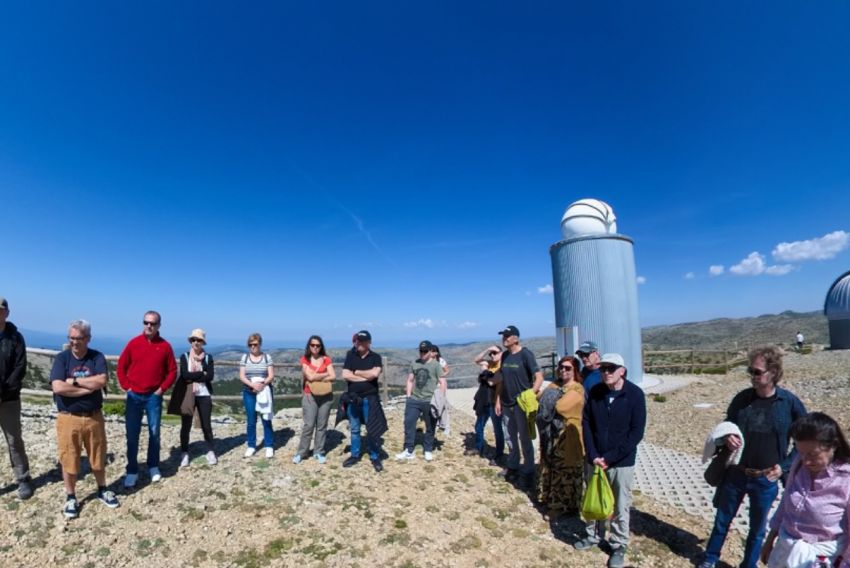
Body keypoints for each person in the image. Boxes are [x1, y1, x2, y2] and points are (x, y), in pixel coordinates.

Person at [699, 346, 807, 568]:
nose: (752, 377)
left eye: (757, 372)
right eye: (750, 371)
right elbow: (727, 427)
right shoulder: (741, 400)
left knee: (757, 530)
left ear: (773, 373)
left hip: (765, 479)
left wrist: (784, 467)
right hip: (735, 474)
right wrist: (727, 438)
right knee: (721, 522)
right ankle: (709, 560)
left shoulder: (789, 403)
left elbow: (803, 442)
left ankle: (748, 565)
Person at [575, 353, 646, 568]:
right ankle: (593, 535)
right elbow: (586, 422)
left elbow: (636, 433)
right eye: (603, 368)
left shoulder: (634, 395)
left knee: (620, 504)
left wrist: (609, 457)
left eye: (611, 368)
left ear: (622, 371)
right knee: (594, 498)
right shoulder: (596, 391)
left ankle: (618, 545)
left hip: (621, 462)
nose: (606, 372)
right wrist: (594, 454)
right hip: (595, 458)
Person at [761, 412, 850, 567]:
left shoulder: (846, 480)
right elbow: (785, 504)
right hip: (785, 551)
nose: (806, 461)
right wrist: (770, 540)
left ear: (833, 446)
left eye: (813, 455)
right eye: (800, 452)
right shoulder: (798, 464)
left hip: (819, 560)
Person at [50, 319, 120, 517]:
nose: (74, 342)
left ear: (88, 338)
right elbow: (57, 387)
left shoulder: (96, 357)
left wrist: (73, 382)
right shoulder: (62, 358)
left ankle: (102, 489)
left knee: (98, 456)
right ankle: (71, 497)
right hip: (68, 418)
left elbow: (101, 381)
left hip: (93, 417)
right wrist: (87, 388)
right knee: (69, 458)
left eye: (78, 338)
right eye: (71, 338)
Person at [117, 310, 177, 488]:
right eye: (146, 322)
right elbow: (121, 366)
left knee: (154, 433)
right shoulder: (133, 343)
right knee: (132, 434)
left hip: (153, 396)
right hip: (134, 395)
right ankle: (132, 470)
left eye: (153, 323)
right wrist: (126, 386)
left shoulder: (165, 346)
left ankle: (153, 466)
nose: (149, 326)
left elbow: (172, 371)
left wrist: (161, 390)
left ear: (159, 325)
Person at [494, 325, 543, 489]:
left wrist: (531, 394)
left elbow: (539, 376)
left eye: (507, 336)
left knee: (525, 438)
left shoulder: (525, 354)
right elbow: (501, 379)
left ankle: (528, 470)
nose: (504, 339)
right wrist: (498, 400)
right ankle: (513, 466)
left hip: (521, 404)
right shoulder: (506, 355)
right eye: (503, 336)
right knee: (510, 437)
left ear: (516, 338)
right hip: (507, 403)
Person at [537, 355, 585, 520]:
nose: (563, 370)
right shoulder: (555, 384)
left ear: (575, 370)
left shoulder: (577, 389)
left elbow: (562, 407)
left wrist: (550, 397)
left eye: (568, 368)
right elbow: (539, 398)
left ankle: (562, 507)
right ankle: (549, 500)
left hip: (567, 437)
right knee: (550, 468)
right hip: (551, 435)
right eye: (561, 367)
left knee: (565, 473)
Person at [166, 328, 216, 467]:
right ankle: (184, 452)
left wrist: (196, 374)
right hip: (188, 394)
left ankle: (210, 450)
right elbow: (185, 375)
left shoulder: (208, 357)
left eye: (199, 340)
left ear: (203, 342)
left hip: (204, 394)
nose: (196, 342)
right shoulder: (185, 356)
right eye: (193, 340)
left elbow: (210, 376)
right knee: (186, 425)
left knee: (206, 424)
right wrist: (202, 373)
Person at [0, 296, 32, 500]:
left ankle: (23, 479)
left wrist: (3, 392)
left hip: (9, 399)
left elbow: (20, 367)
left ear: (7, 313)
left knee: (14, 441)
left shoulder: (16, 337)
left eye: (1, 310)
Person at [342, 330, 386, 472]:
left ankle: (374, 456)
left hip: (370, 398)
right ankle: (355, 455)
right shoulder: (350, 355)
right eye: (357, 341)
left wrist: (357, 372)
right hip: (353, 398)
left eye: (362, 341)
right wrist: (366, 376)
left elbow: (375, 374)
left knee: (371, 429)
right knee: (355, 429)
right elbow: (345, 375)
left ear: (369, 342)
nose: (358, 343)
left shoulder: (376, 357)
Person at [396, 340, 446, 462]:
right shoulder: (415, 363)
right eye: (421, 351)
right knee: (409, 424)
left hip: (430, 400)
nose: (422, 353)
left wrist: (441, 399)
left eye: (425, 351)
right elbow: (410, 380)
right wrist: (408, 396)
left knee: (430, 426)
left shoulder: (436, 365)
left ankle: (428, 449)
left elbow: (442, 382)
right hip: (414, 399)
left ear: (430, 352)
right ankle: (408, 450)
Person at [294, 335, 335, 465]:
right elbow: (310, 377)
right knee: (309, 425)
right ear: (309, 346)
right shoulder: (305, 359)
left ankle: (319, 451)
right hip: (309, 395)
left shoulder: (326, 359)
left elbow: (333, 376)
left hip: (326, 395)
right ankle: (302, 452)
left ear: (321, 346)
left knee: (322, 426)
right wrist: (324, 375)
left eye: (318, 345)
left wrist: (317, 376)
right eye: (313, 345)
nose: (315, 347)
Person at [239, 333, 275, 458]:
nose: (253, 347)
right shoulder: (244, 357)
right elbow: (242, 376)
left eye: (255, 344)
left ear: (260, 344)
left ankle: (269, 445)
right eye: (250, 344)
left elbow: (271, 375)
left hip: (264, 390)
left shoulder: (267, 357)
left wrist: (262, 384)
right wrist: (252, 385)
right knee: (251, 420)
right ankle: (251, 445)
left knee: (266, 418)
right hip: (249, 391)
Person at [470, 345, 504, 464]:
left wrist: (484, 371)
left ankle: (499, 453)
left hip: (495, 401)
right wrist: (487, 350)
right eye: (491, 354)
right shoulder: (489, 363)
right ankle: (479, 447)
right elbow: (476, 360)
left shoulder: (503, 366)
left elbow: (491, 382)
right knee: (479, 425)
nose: (493, 355)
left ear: (501, 353)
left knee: (498, 429)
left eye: (495, 353)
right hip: (484, 399)